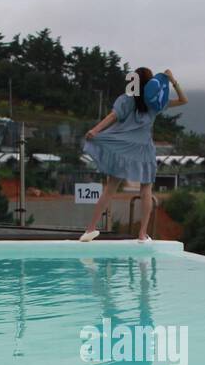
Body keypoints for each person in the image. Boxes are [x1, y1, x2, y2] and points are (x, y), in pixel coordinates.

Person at [79, 68, 186, 242]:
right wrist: (172, 80)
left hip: (123, 148)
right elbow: (183, 100)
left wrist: (95, 130)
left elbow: (113, 116)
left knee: (110, 189)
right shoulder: (156, 102)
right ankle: (142, 234)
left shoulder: (127, 99)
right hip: (144, 150)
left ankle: (90, 229)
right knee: (146, 190)